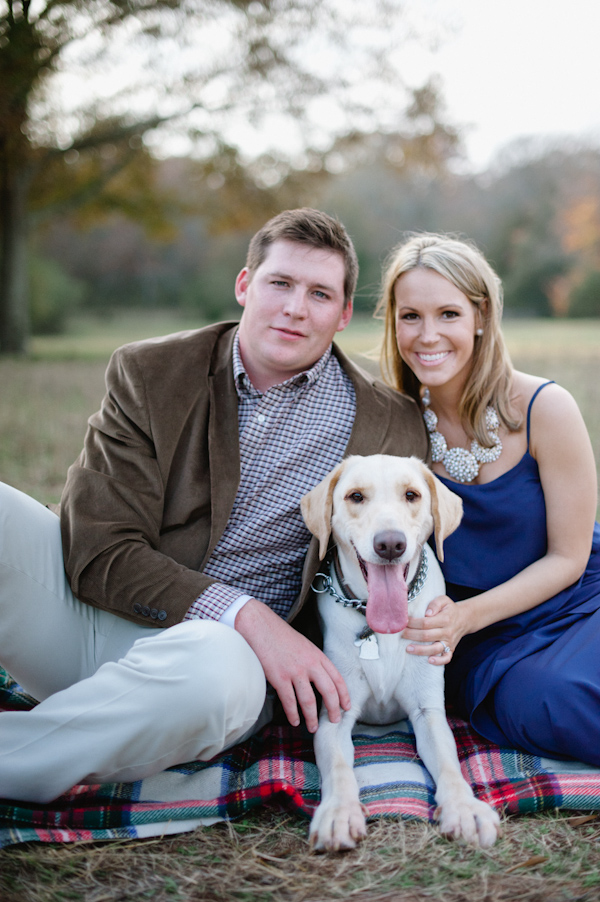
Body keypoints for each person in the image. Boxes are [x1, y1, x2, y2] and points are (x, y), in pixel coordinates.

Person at [0, 208, 428, 802]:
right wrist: (245, 611)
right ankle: (94, 722)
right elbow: (98, 549)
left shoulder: (389, 426)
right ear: (245, 285)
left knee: (214, 668)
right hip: (92, 620)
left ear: (343, 314)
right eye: (280, 283)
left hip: (224, 668)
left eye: (320, 294)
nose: (295, 307)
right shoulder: (151, 373)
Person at [376, 231, 600, 765]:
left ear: (480, 315)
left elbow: (569, 558)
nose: (428, 335)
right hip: (483, 637)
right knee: (554, 703)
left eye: (448, 314)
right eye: (411, 316)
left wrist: (466, 616)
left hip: (577, 600)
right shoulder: (389, 428)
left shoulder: (546, 406)